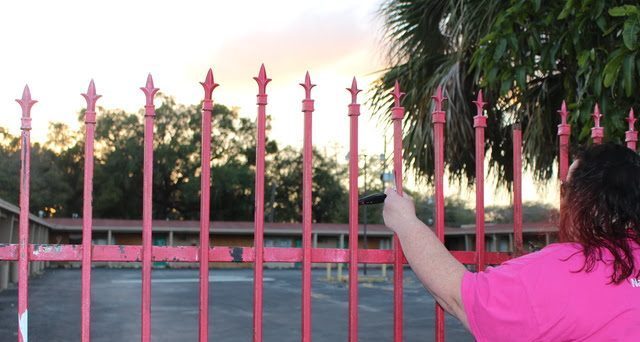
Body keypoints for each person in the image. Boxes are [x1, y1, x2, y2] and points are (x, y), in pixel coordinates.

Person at [382, 143, 640, 341]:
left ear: (588, 201)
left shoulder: (569, 268)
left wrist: (406, 222)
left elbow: (459, 296)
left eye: (567, 188)